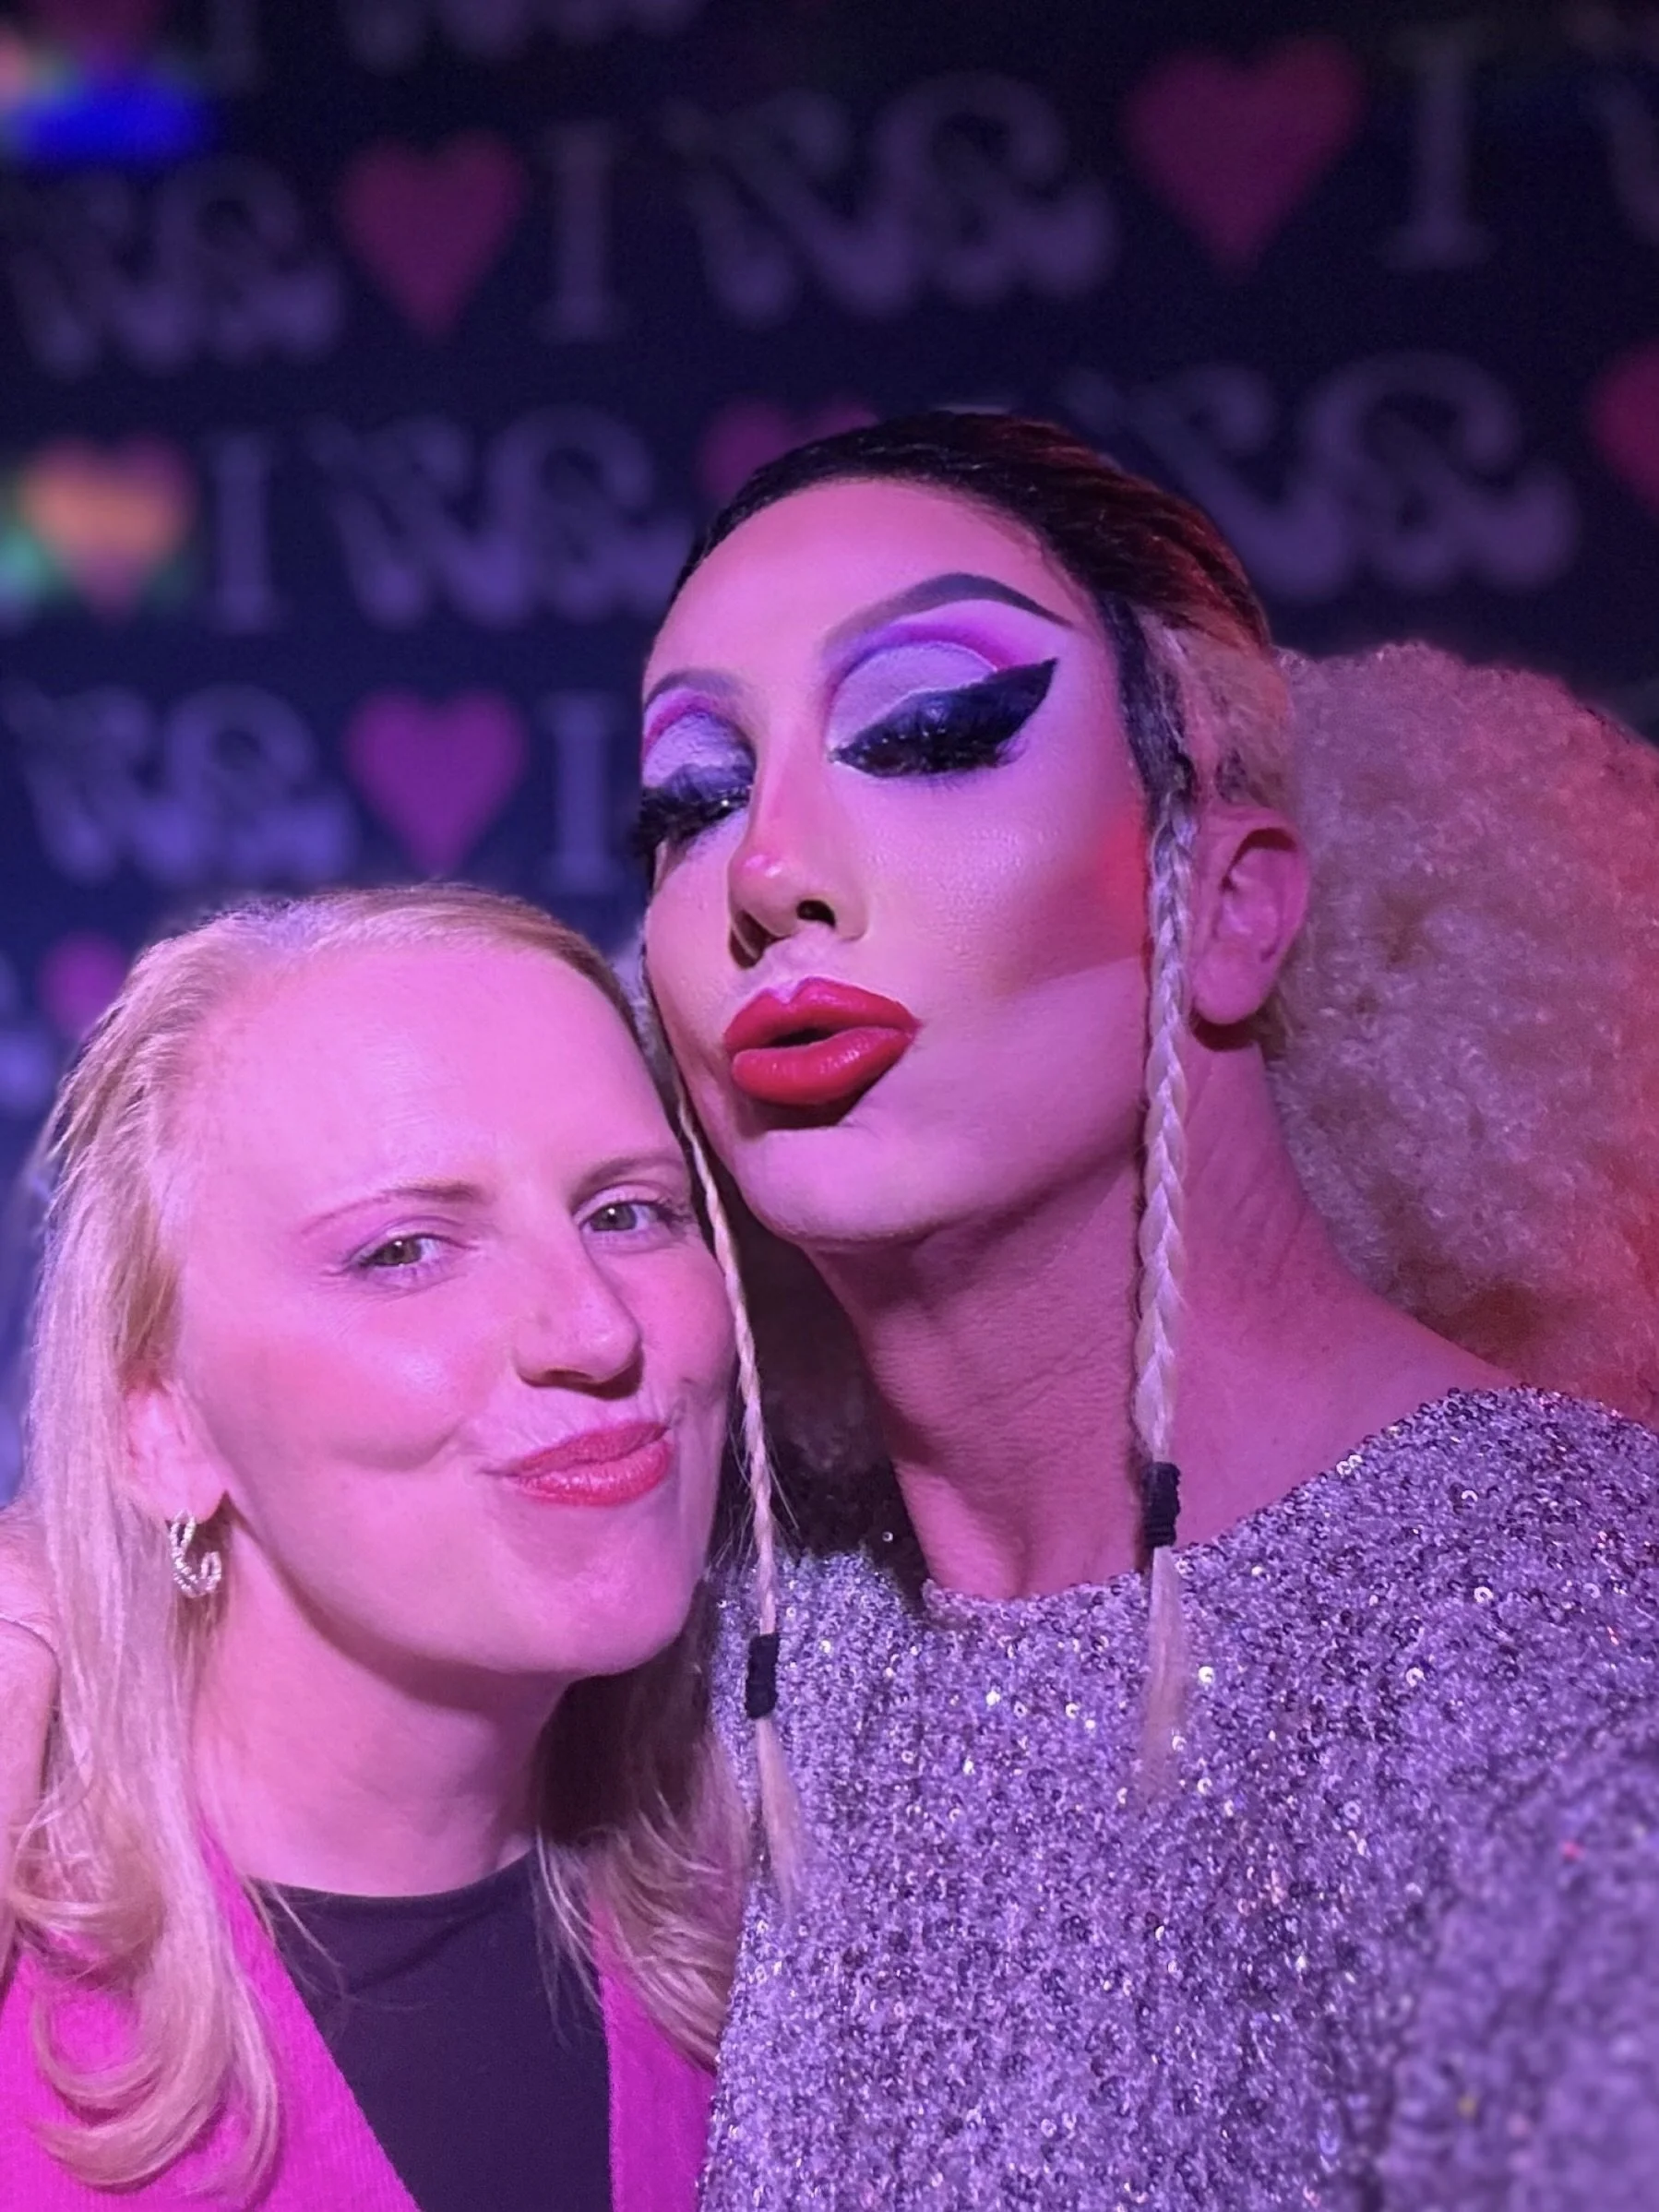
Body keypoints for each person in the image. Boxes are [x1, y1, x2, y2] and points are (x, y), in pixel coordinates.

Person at [634, 412, 1659, 2207]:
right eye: (690, 795)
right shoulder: (709, 1658)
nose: (763, 871)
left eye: (924, 731)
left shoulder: (1579, 1654)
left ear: (1232, 904)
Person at [0, 885, 738, 2210]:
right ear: (161, 1426)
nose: (592, 1328)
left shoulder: (793, 1956)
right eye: (403, 1251)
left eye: (627, 1213)